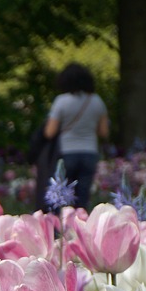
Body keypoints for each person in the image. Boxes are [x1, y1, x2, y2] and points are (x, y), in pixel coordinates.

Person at [43, 63, 109, 208]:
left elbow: (49, 132)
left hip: (67, 153)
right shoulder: (97, 101)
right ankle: (81, 225)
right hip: (89, 153)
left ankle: (63, 227)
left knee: (62, 198)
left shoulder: (61, 101)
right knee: (82, 198)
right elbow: (104, 132)